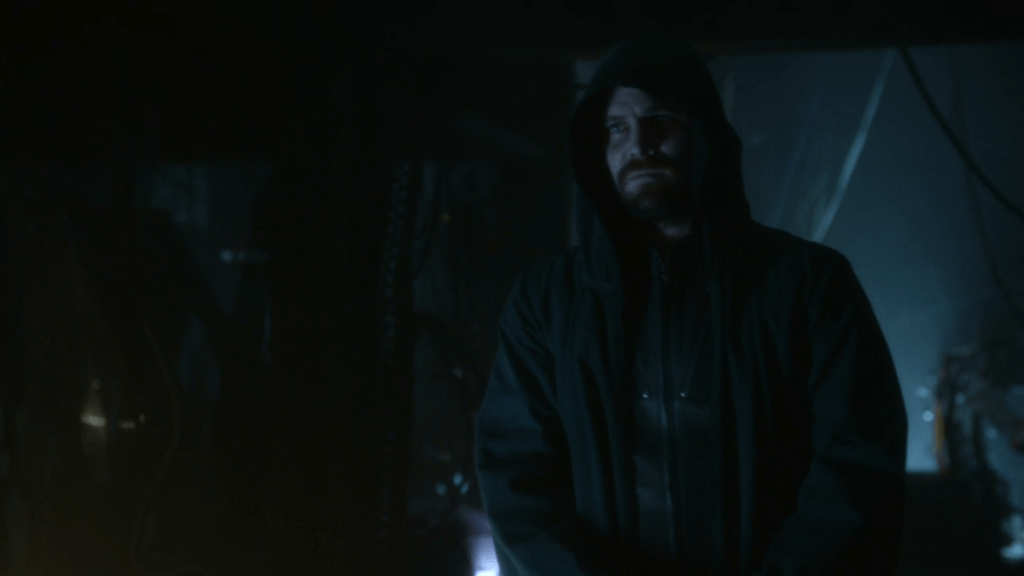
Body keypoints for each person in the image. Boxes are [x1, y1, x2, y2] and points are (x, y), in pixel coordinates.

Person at [474, 36, 908, 576]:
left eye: (660, 120)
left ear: (702, 133)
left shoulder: (807, 284)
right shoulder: (548, 301)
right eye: (616, 128)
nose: (639, 145)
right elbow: (515, 467)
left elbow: (858, 457)